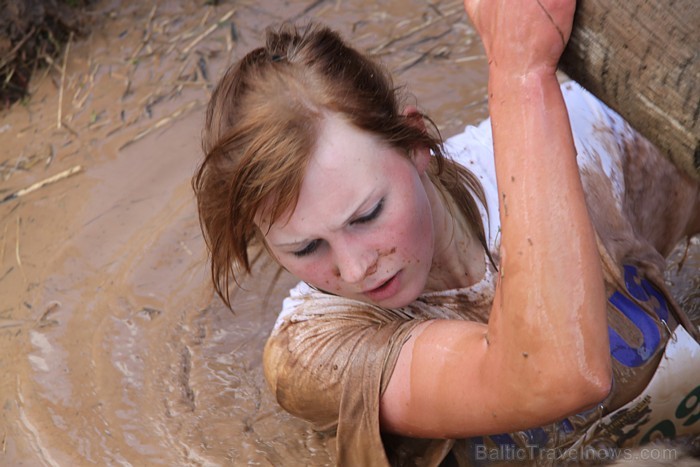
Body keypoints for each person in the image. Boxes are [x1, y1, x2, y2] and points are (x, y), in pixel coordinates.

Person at [192, 0, 700, 464]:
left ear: (416, 142)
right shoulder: (313, 350)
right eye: (305, 247)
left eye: (367, 215)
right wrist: (520, 72)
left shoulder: (582, 149)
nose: (354, 268)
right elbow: (555, 376)